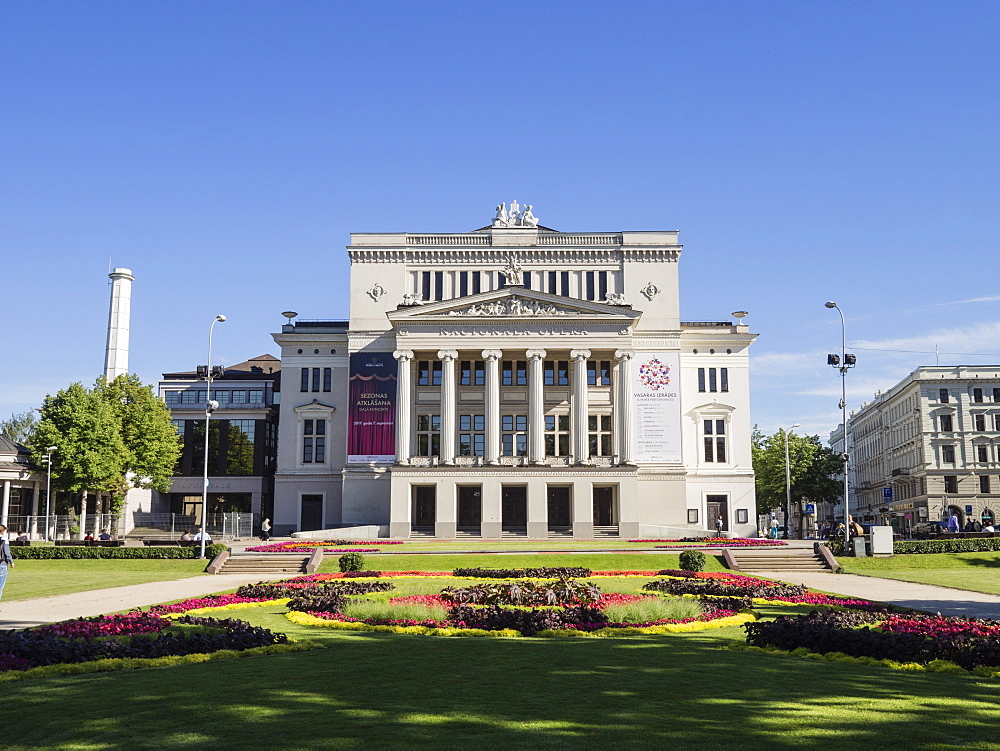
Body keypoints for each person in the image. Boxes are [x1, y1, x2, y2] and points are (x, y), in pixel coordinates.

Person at [0, 525, 14, 603]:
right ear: (2, 531)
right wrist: (11, 562)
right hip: (2, 564)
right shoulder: (4, 539)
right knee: (0, 586)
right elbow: (7, 552)